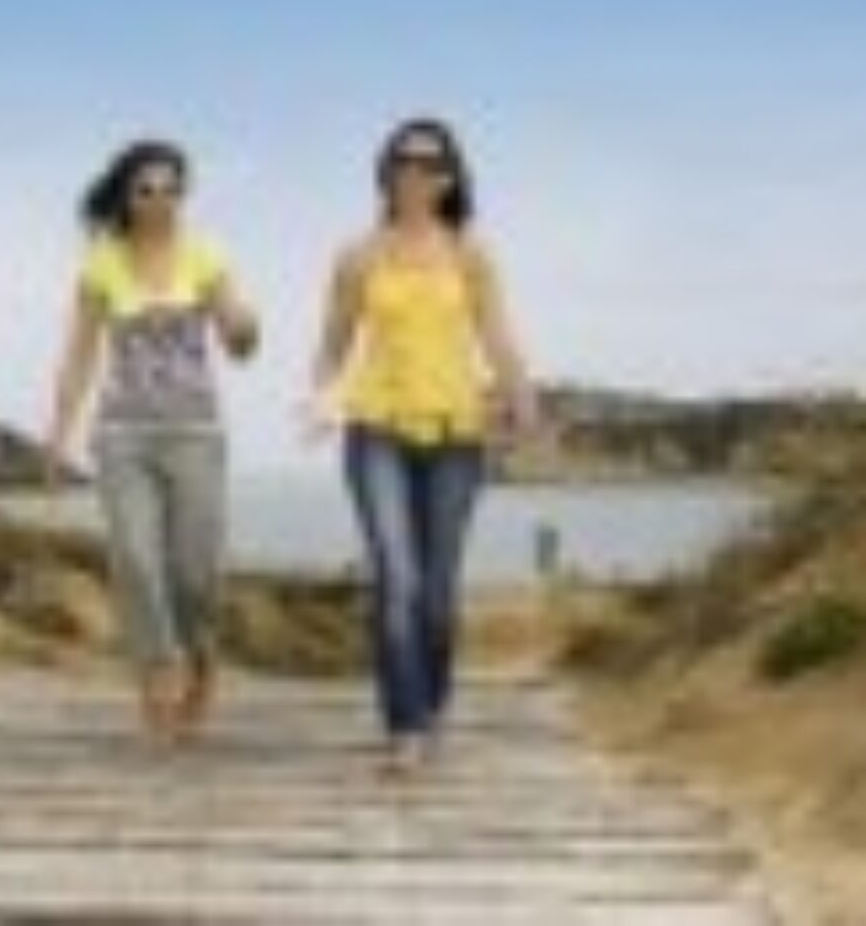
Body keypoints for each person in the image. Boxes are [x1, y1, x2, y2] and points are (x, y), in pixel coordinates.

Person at [308, 118, 538, 776]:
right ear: (386, 172)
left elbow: (498, 336)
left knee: (437, 594)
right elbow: (332, 343)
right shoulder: (357, 255)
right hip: (375, 428)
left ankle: (431, 706)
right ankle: (404, 727)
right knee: (397, 580)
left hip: (457, 434)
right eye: (405, 161)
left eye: (432, 163)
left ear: (448, 178)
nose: (417, 172)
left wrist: (522, 399)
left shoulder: (471, 254)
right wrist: (321, 399)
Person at [47, 139, 260, 746]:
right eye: (148, 189)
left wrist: (245, 328)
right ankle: (159, 671)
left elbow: (239, 341)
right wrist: (59, 433)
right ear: (127, 196)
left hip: (195, 434)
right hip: (122, 436)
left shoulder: (205, 257)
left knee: (195, 573)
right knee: (136, 562)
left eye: (172, 189)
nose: (162, 200)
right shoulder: (103, 264)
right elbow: (79, 354)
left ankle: (202, 660)